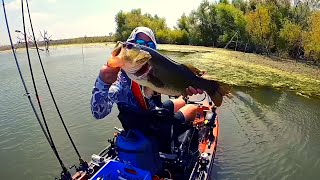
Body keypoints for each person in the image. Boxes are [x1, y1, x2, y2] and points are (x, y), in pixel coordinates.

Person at [91, 26, 203, 152]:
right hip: (152, 129)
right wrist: (103, 82)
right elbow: (98, 113)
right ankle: (182, 132)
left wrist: (187, 86)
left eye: (150, 44)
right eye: (139, 43)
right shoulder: (118, 81)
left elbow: (170, 81)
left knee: (182, 101)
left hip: (156, 113)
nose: (145, 46)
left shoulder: (153, 69)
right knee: (192, 108)